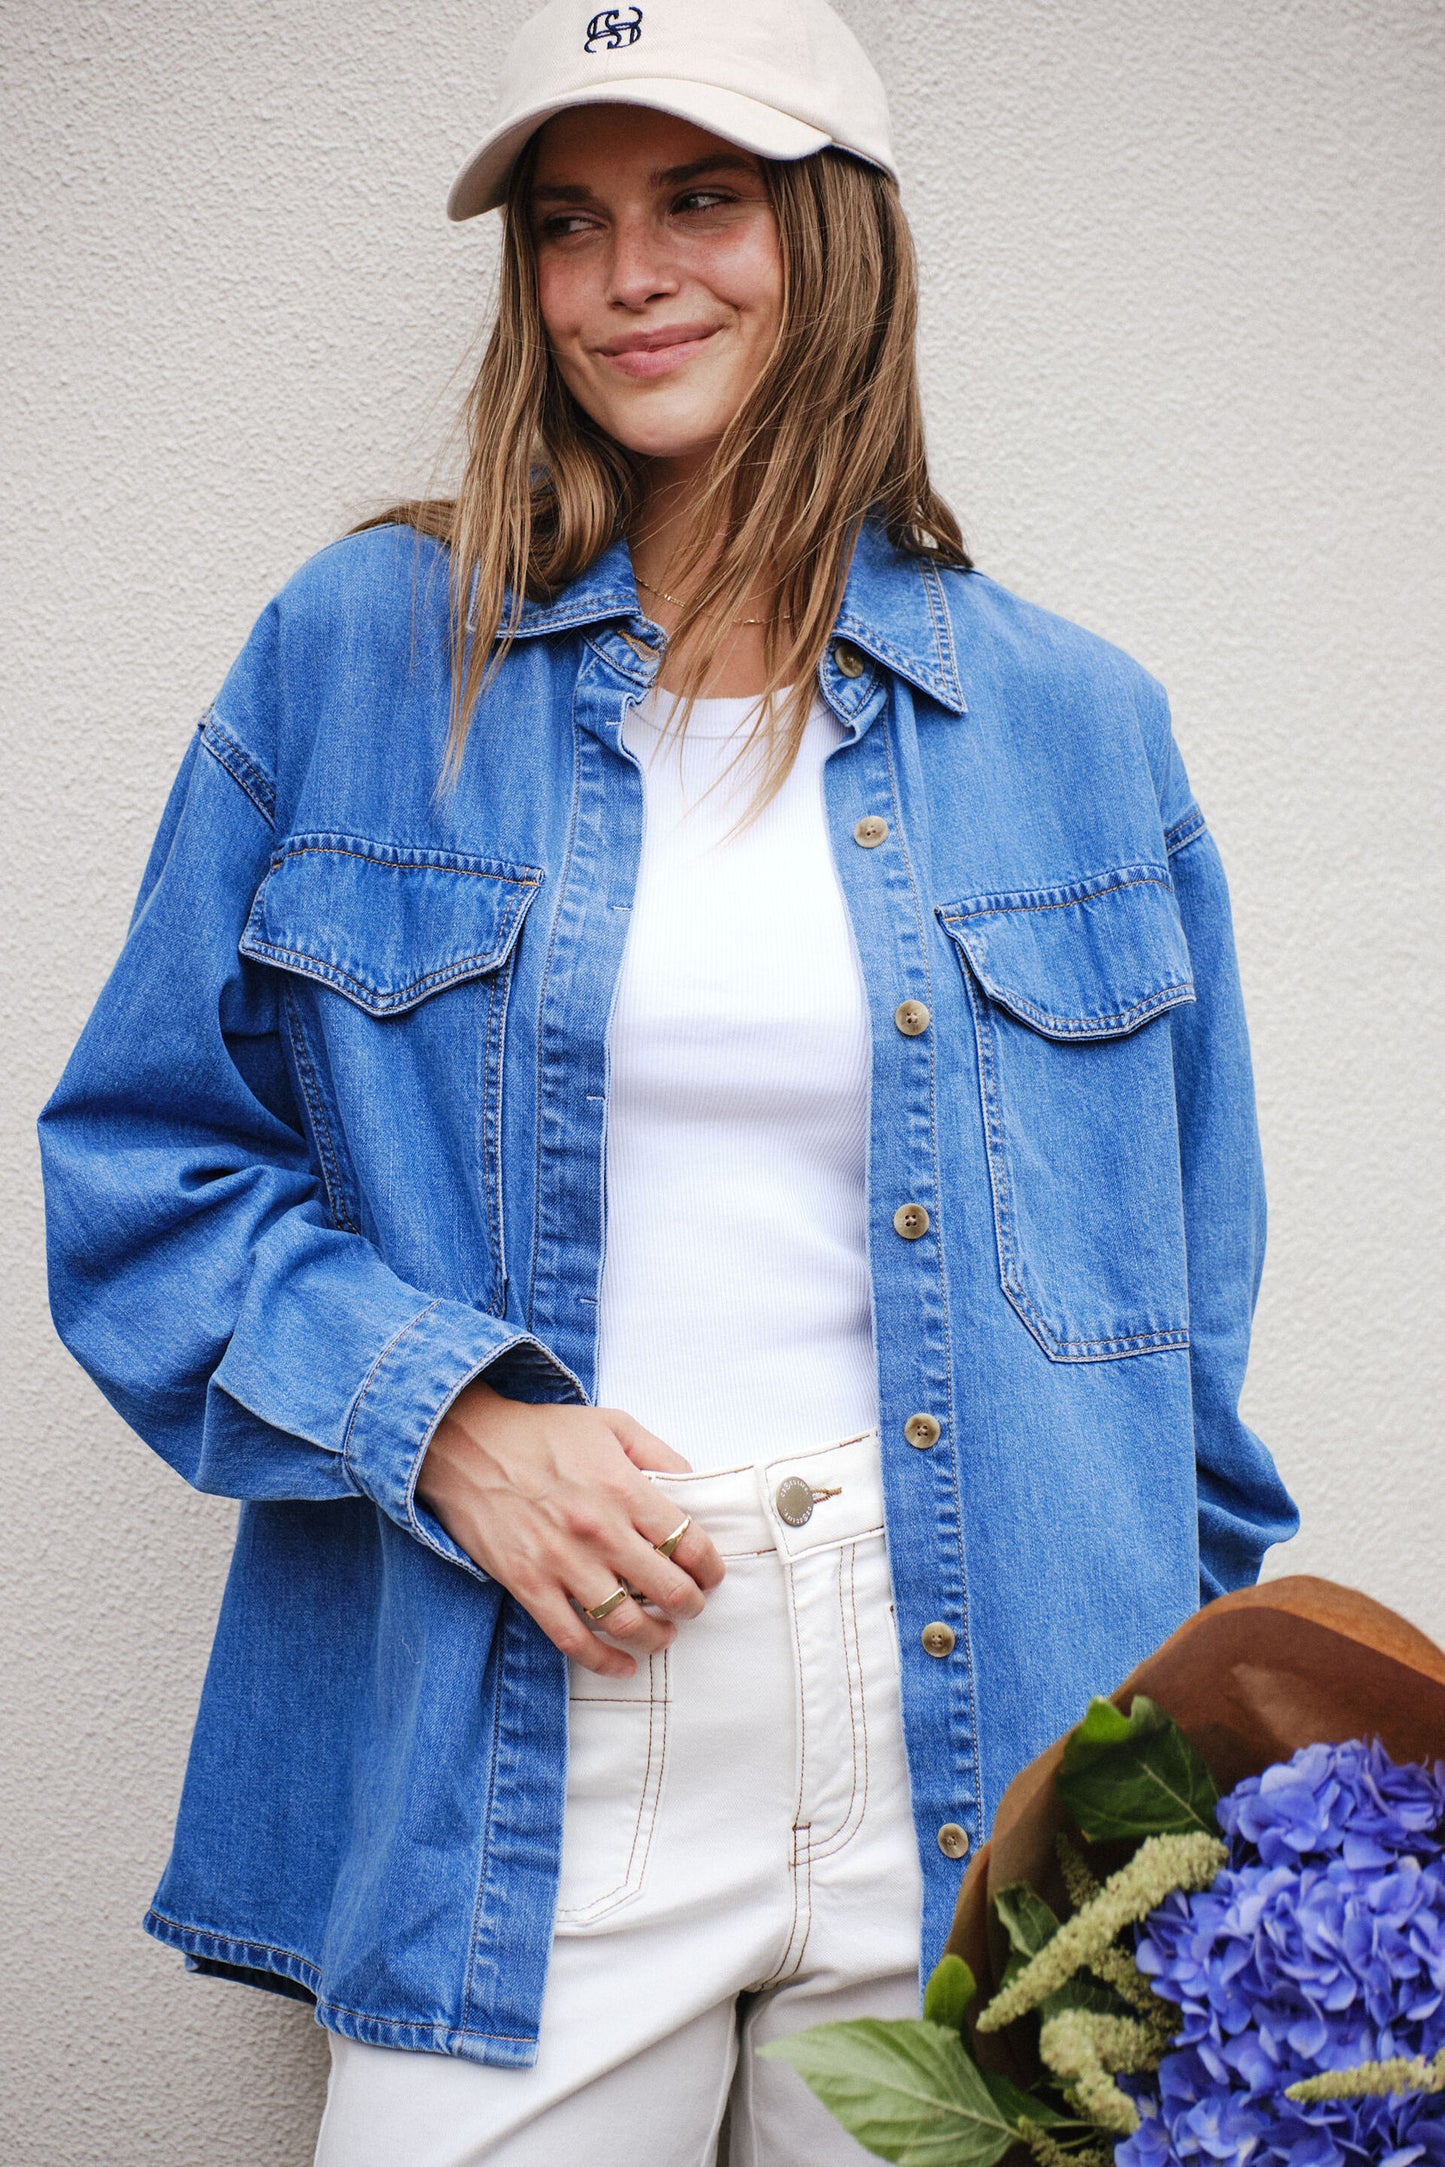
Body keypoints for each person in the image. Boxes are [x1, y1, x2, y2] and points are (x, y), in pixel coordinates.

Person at [38, 0, 1299, 2159]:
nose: (630, 276)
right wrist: (449, 1420)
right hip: (529, 1722)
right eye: (569, 220)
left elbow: (1174, 1326)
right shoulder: (362, 654)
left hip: (980, 1732)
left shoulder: (1082, 723)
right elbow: (143, 1165)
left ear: (843, 240)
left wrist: (1222, 1805)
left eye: (703, 199)